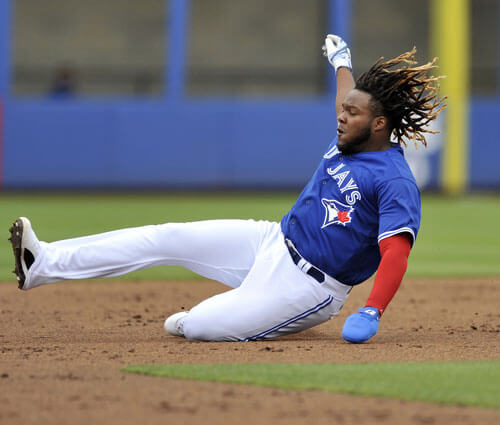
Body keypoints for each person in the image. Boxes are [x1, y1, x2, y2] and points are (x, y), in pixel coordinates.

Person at [8, 35, 445, 344]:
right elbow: (348, 98)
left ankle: (242, 308)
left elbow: (396, 253)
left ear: (380, 124)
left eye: (353, 113)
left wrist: (372, 310)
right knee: (166, 236)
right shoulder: (350, 134)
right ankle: (43, 262)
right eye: (344, 110)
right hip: (271, 240)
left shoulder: (394, 180)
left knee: (195, 327)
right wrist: (341, 63)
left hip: (310, 287)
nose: (342, 116)